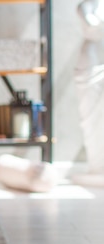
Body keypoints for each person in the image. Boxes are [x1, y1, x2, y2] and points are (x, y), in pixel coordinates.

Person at [75, 0, 104, 182]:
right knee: (91, 116)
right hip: (91, 63)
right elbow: (92, 29)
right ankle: (97, 164)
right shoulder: (85, 6)